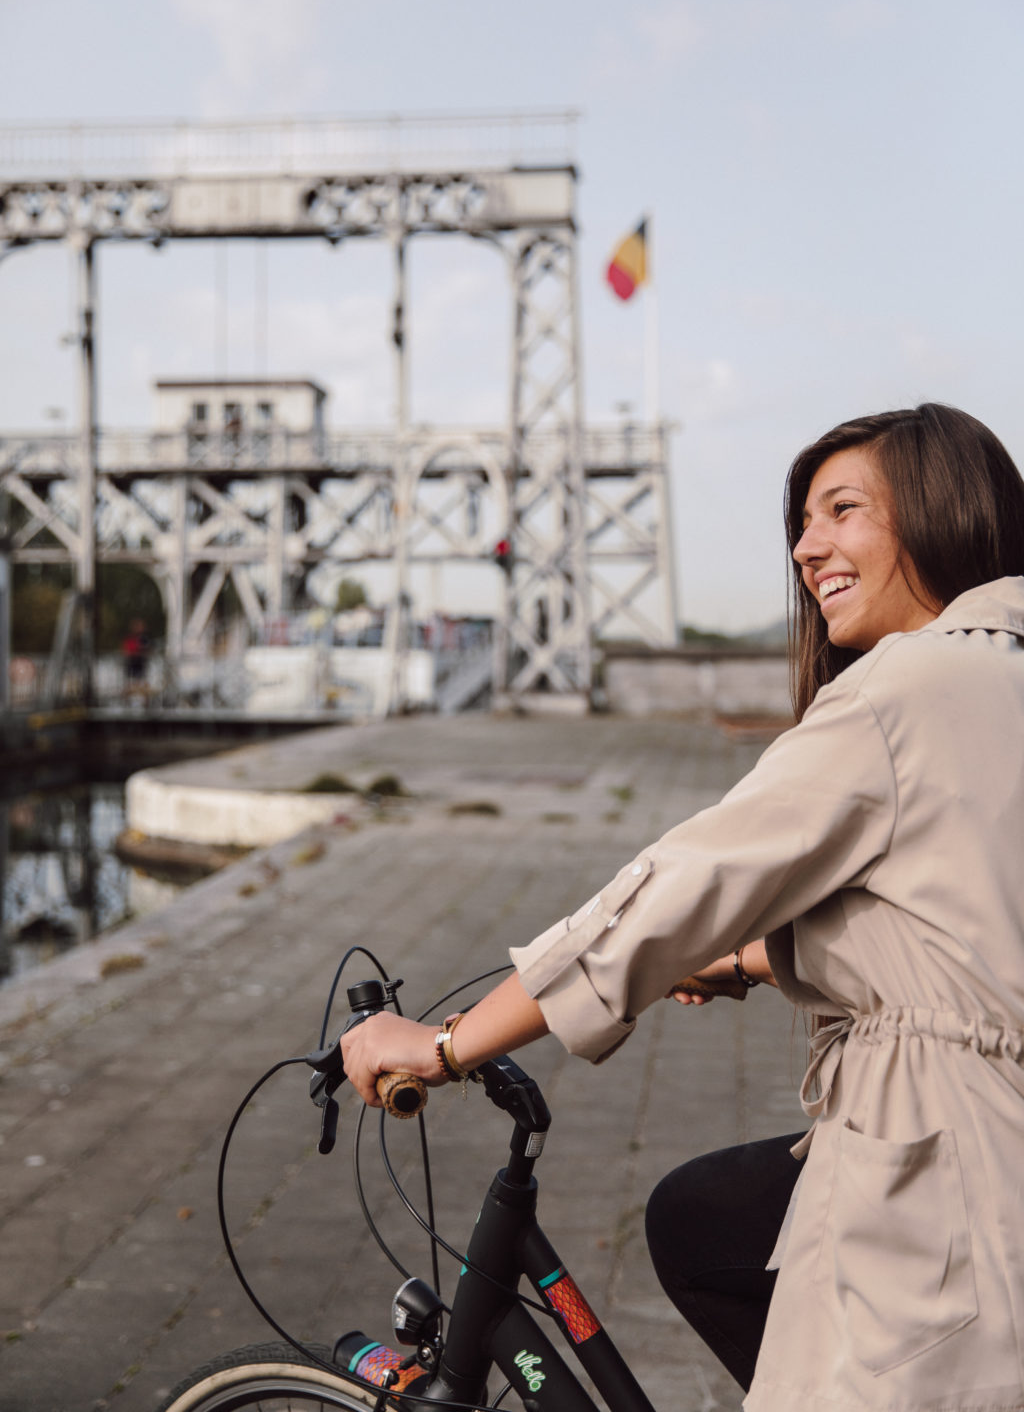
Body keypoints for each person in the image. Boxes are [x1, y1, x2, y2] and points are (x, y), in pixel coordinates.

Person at [342, 403, 1024, 1410]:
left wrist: (445, 1046)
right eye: (803, 522)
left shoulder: (902, 691)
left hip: (954, 1166)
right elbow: (960, 919)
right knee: (700, 1218)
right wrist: (750, 961)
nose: (807, 548)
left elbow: (675, 888)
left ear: (941, 510)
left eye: (842, 511)